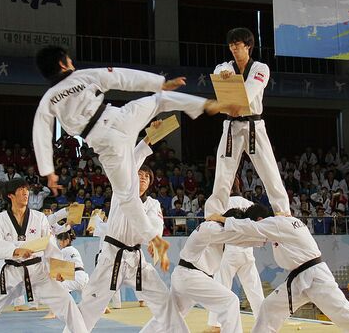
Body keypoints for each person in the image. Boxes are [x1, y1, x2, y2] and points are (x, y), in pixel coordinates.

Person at [32, 46, 238, 270]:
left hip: (104, 143)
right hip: (120, 118)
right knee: (160, 100)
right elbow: (121, 76)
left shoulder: (48, 100)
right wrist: (159, 84)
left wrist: (48, 171)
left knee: (126, 197)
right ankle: (206, 104)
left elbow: (41, 134)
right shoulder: (83, 76)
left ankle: (154, 239)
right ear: (63, 64)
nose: (72, 64)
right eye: (69, 61)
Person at [67, 134, 188, 333]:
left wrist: (154, 240)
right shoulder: (121, 192)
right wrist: (148, 140)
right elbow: (129, 165)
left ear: (151, 183)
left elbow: (156, 225)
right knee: (90, 306)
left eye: (147, 177)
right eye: (139, 174)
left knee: (164, 302)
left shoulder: (153, 204)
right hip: (112, 257)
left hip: (136, 259)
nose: (142, 178)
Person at [209, 204, 349, 333]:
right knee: (269, 308)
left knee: (344, 315)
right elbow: (252, 237)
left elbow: (250, 228)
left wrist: (222, 219)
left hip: (315, 276)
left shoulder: (275, 223)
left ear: (261, 220)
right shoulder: (280, 224)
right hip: (299, 279)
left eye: (257, 224)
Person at [0, 178, 87, 333]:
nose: (25, 193)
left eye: (26, 189)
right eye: (21, 189)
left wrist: (59, 270)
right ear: (10, 195)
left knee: (67, 304)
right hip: (11, 273)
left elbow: (50, 246)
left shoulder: (39, 217)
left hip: (38, 271)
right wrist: (17, 250)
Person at [204, 28, 290, 219]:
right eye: (231, 45)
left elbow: (250, 90)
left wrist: (234, 101)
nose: (233, 48)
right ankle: (214, 213)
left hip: (254, 126)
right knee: (223, 172)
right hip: (231, 126)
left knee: (269, 171)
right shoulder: (224, 67)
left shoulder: (261, 68)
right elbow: (219, 71)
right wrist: (225, 76)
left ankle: (282, 211)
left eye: (237, 44)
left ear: (248, 46)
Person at [171, 208, 265, 333]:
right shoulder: (211, 227)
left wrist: (268, 236)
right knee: (230, 301)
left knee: (171, 318)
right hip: (190, 276)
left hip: (187, 277)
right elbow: (238, 237)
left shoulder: (219, 232)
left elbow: (241, 241)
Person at [206, 181, 264, 333]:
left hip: (229, 250)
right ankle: (264, 321)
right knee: (254, 289)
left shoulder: (221, 205)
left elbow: (215, 225)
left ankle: (215, 324)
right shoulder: (250, 204)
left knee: (221, 287)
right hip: (247, 250)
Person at [43, 229, 89, 320]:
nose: (59, 244)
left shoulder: (65, 251)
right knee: (90, 296)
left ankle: (53, 312)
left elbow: (55, 264)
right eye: (58, 241)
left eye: (60, 241)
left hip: (75, 276)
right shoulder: (74, 250)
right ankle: (104, 308)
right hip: (83, 276)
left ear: (66, 241)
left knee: (56, 289)